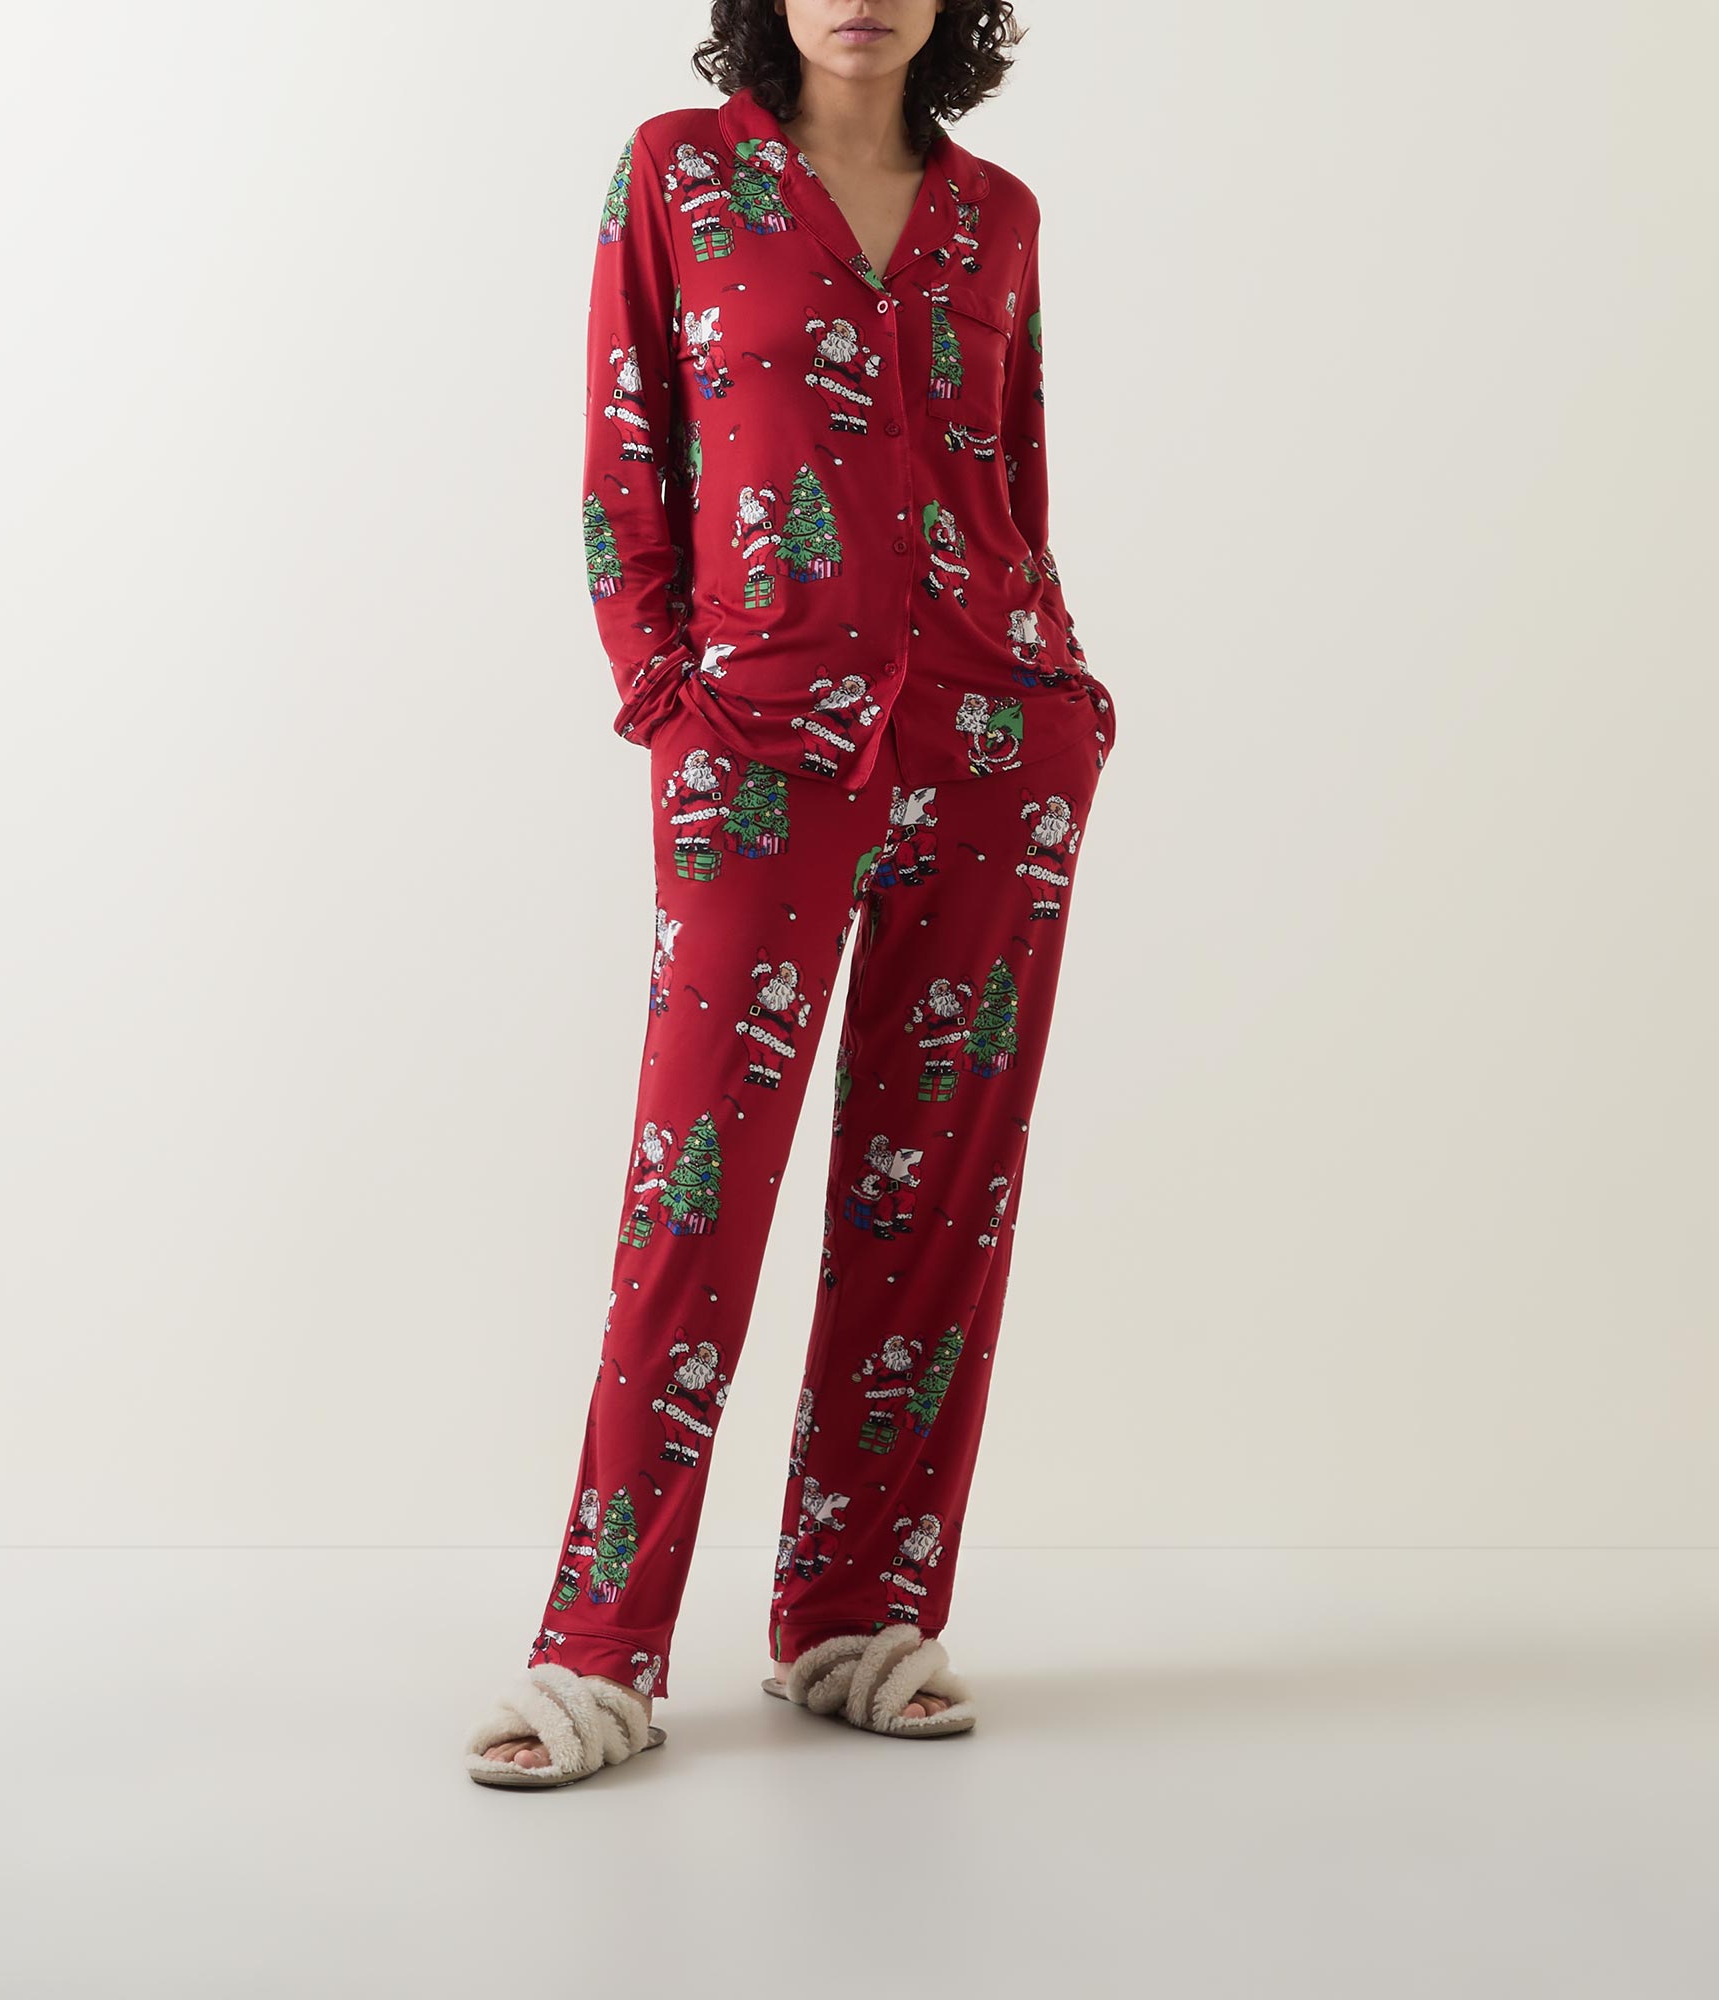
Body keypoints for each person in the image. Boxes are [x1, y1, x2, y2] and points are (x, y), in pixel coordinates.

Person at [466, 0, 1117, 1788]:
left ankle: (854, 1616)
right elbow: (626, 457)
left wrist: (1060, 690)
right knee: (697, 1189)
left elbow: (1013, 479)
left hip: (993, 742)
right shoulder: (681, 176)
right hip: (756, 744)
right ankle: (598, 1651)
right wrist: (668, 705)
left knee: (940, 1194)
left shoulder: (998, 216)